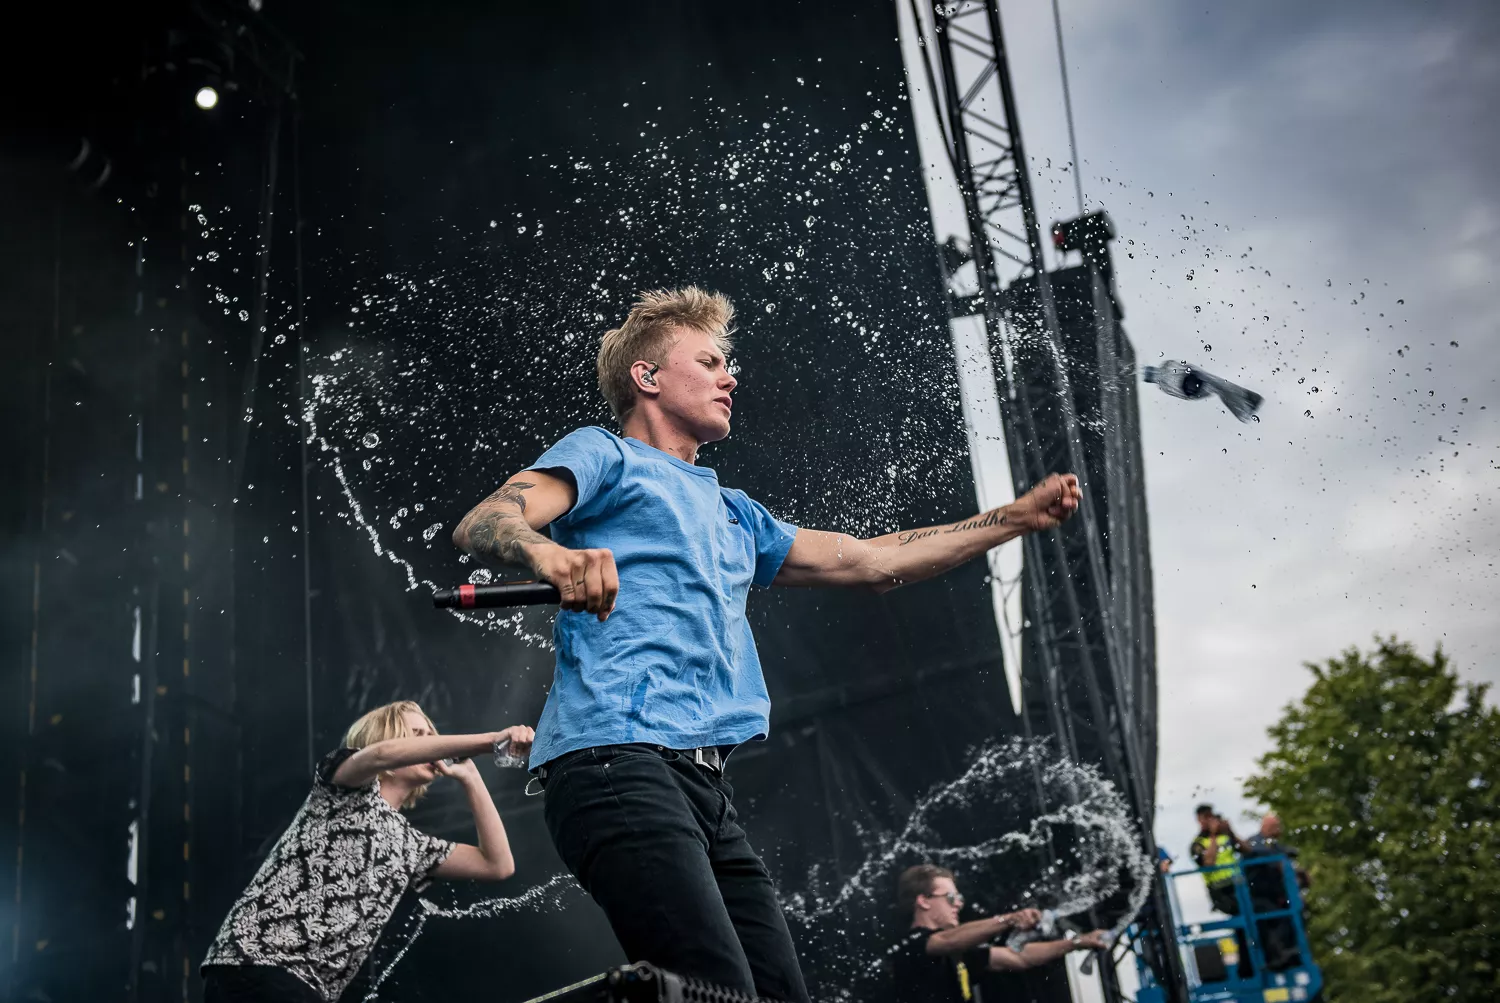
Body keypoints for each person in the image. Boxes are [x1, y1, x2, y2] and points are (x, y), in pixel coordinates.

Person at [451, 287, 1083, 1002]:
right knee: (715, 990)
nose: (730, 378)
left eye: (728, 365)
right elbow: (487, 519)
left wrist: (1013, 518)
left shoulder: (737, 514)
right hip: (614, 761)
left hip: (704, 787)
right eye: (709, 362)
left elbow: (873, 561)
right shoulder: (606, 455)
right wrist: (550, 555)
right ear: (647, 376)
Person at [200, 701, 534, 1003]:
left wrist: (471, 777)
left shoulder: (411, 844)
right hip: (258, 961)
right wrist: (490, 740)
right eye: (418, 734)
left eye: (432, 735)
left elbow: (497, 865)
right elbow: (380, 755)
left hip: (303, 986)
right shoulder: (342, 788)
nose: (432, 742)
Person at [890, 865, 1109, 1003]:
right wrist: (1010, 919)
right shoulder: (909, 944)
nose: (958, 904)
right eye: (950, 898)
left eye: (959, 898)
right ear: (923, 901)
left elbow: (1020, 957)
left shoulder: (958, 953)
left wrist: (1077, 942)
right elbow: (946, 941)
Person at [1190, 804, 1253, 979]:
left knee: (1253, 921)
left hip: (1238, 887)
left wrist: (1231, 832)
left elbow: (1248, 851)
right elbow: (1208, 862)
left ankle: (1253, 964)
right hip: (1220, 892)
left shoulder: (1226, 837)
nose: (1211, 820)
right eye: (1206, 817)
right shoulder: (1198, 844)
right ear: (1200, 820)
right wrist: (1212, 835)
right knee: (1241, 923)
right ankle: (1245, 969)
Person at [1243, 813, 1308, 970]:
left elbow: (1289, 853)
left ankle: (1292, 952)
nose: (1279, 830)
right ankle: (1277, 956)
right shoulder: (1255, 842)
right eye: (1276, 826)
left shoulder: (1274, 845)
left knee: (1299, 909)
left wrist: (1299, 873)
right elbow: (1260, 854)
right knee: (1278, 918)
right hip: (1257, 897)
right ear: (1267, 827)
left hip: (1275, 896)